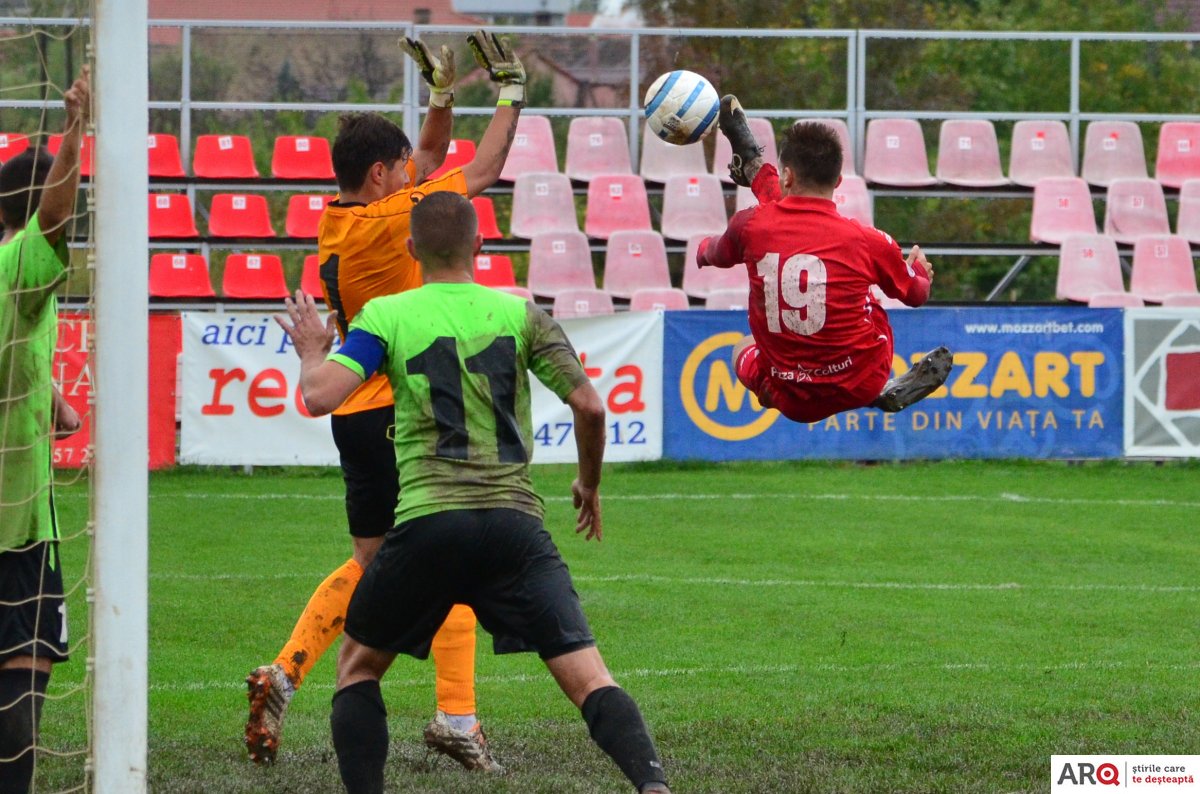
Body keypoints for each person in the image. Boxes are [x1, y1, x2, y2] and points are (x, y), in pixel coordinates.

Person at [274, 190, 671, 794]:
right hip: (515, 526)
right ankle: (654, 787)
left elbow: (320, 396)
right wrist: (588, 483)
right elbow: (589, 405)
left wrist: (310, 353)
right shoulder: (521, 316)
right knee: (590, 679)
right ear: (481, 246)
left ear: (411, 249)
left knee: (357, 668)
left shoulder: (388, 315)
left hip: (431, 521)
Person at [244, 30, 526, 771]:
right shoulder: (394, 221)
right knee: (455, 547)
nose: (413, 172)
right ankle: (457, 716)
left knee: (376, 566)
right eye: (399, 168)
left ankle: (286, 670)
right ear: (380, 177)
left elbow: (426, 160)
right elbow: (484, 167)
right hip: (404, 412)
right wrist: (511, 94)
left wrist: (439, 98)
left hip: (354, 417)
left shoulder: (342, 218)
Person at [696, 95, 953, 424]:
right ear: (839, 181)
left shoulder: (750, 226)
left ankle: (753, 163)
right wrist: (919, 271)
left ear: (787, 177)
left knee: (741, 347)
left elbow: (714, 253)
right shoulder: (868, 241)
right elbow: (916, 295)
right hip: (861, 383)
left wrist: (701, 250)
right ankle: (752, 162)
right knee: (862, 288)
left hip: (790, 398)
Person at [0, 68, 89, 794]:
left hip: (23, 509)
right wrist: (76, 135)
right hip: (14, 522)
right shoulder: (18, 267)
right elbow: (54, 221)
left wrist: (48, 395)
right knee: (18, 691)